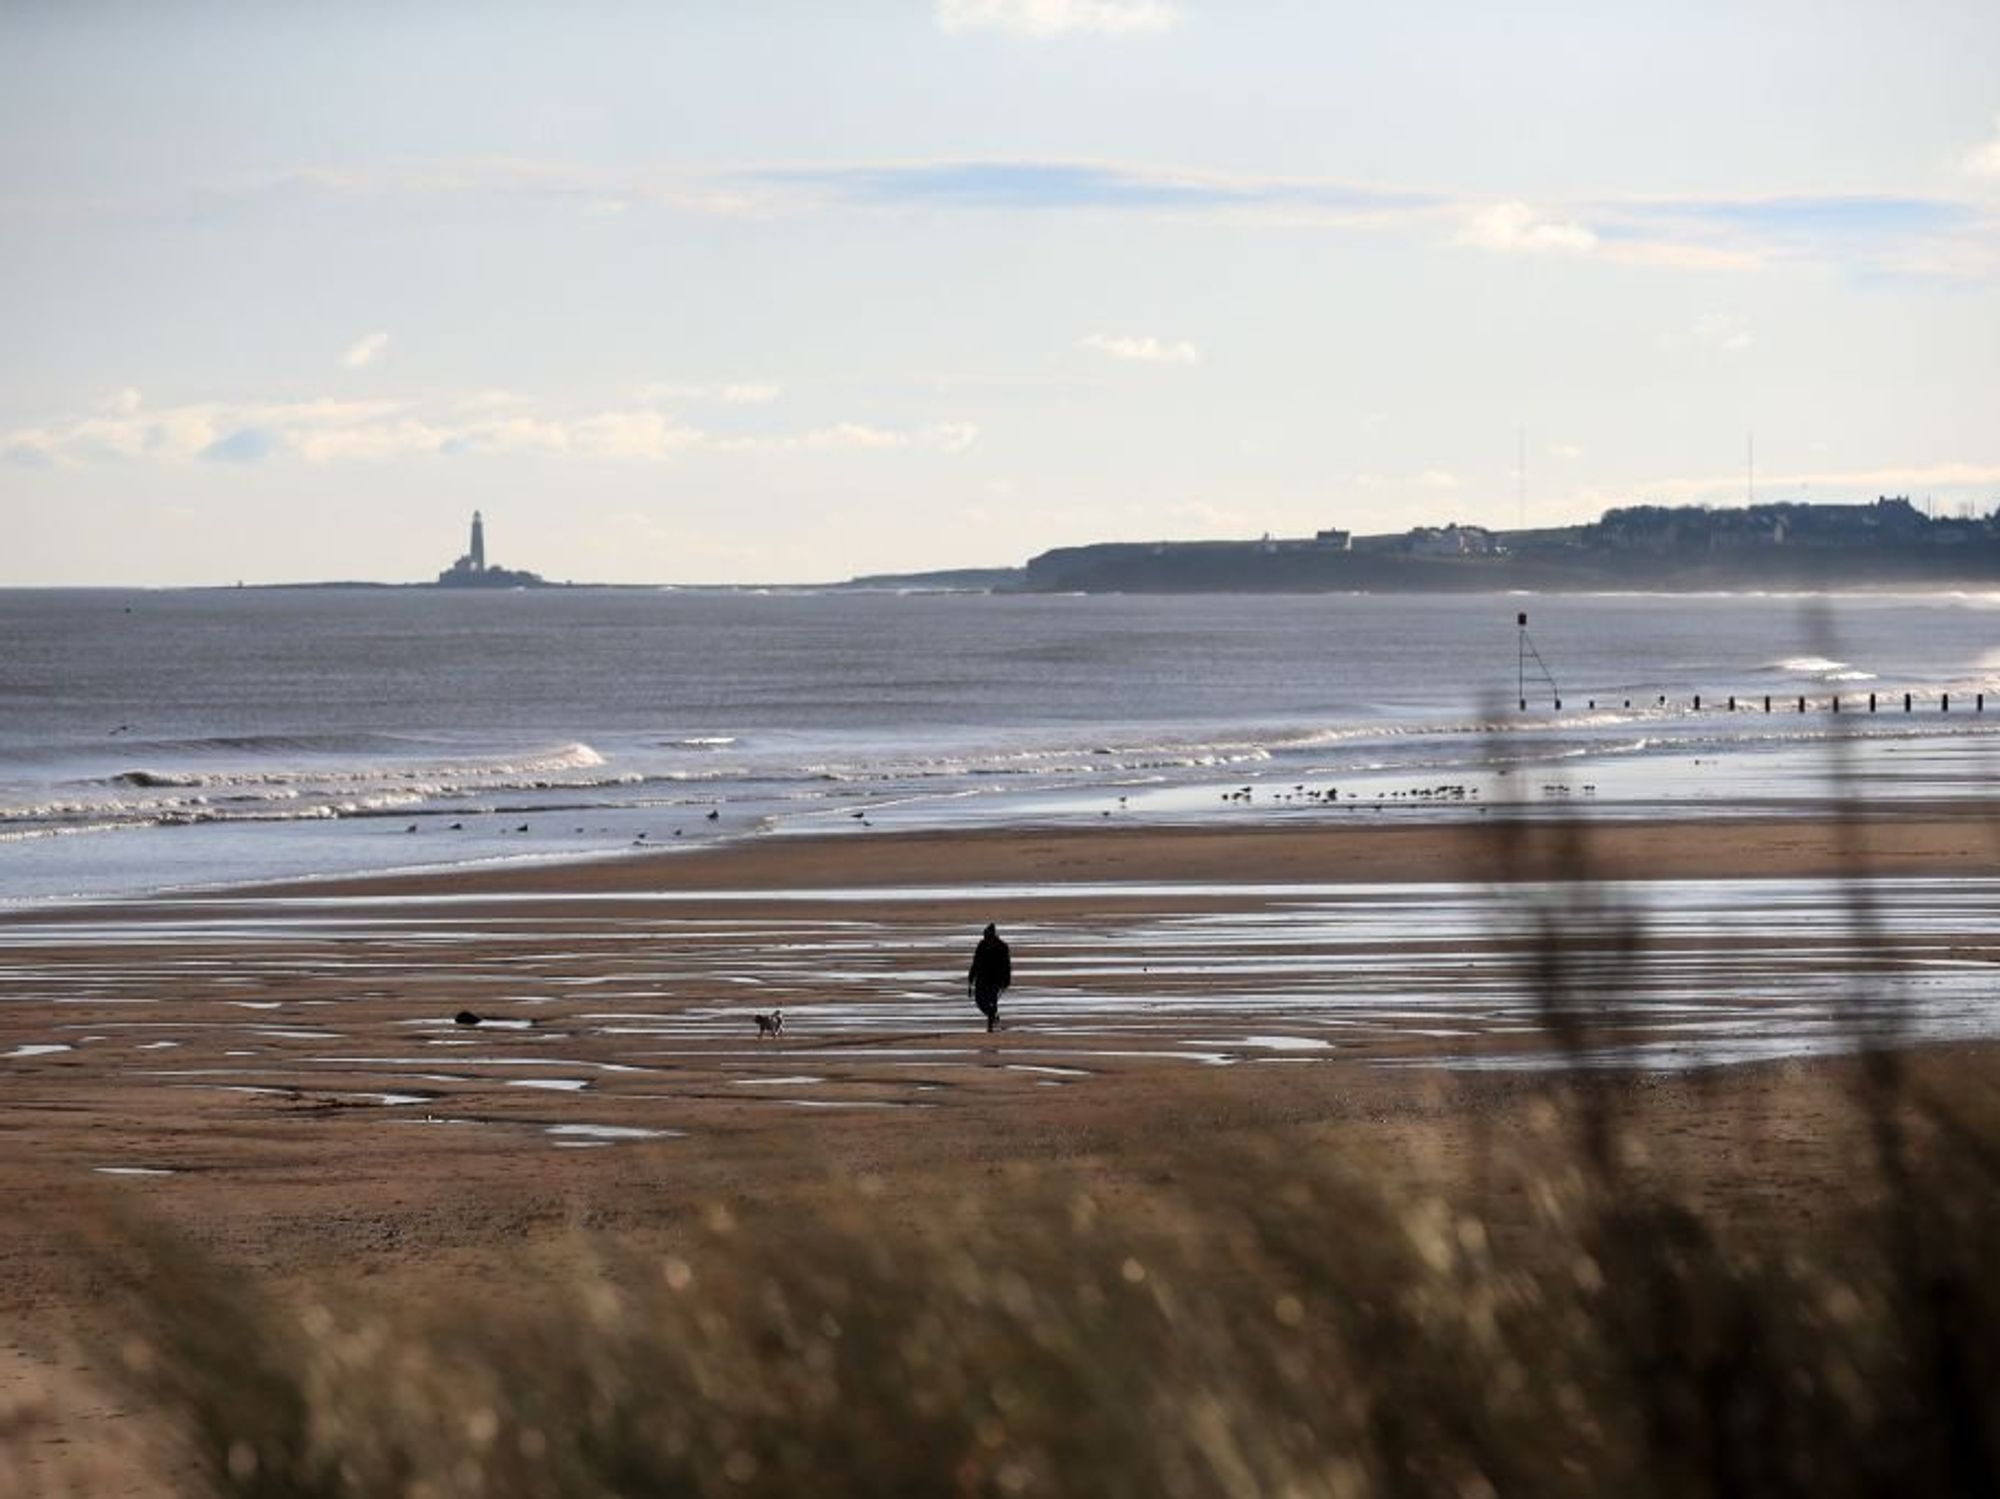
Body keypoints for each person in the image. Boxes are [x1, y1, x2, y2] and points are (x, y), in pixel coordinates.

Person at [967, 923, 1011, 1033]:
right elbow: (975, 963)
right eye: (985, 936)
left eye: (987, 936)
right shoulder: (981, 945)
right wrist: (971, 979)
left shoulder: (1002, 947)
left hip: (996, 979)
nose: (986, 938)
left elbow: (1007, 965)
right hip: (982, 978)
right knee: (979, 1001)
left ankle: (990, 1026)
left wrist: (1006, 980)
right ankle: (992, 1016)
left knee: (992, 1001)